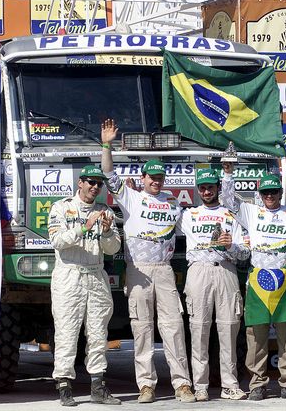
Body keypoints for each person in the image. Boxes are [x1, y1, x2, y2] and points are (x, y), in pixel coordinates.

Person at [100, 119, 195, 404]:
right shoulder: (131, 197)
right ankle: (146, 385)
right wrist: (107, 145)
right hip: (138, 269)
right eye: (151, 177)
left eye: (160, 177)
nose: (155, 181)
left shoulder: (174, 203)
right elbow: (107, 173)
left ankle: (182, 384)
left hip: (164, 271)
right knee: (141, 329)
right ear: (142, 178)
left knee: (174, 328)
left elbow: (192, 229)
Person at [221, 162, 286, 401]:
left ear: (280, 193)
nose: (269, 196)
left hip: (285, 280)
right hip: (258, 280)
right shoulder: (251, 212)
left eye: (273, 192)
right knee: (255, 336)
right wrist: (227, 174)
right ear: (259, 195)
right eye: (265, 192)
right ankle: (257, 383)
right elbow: (228, 201)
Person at [48, 165, 122, 406]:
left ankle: (98, 386)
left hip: (96, 274)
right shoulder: (62, 207)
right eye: (90, 182)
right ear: (80, 183)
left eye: (99, 183)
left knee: (99, 334)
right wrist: (84, 227)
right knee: (67, 332)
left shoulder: (105, 211)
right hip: (69, 276)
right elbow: (57, 241)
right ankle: (64, 386)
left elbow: (113, 249)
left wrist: (108, 232)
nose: (95, 187)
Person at [177, 168, 250, 401]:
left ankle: (230, 384)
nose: (207, 191)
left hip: (226, 270)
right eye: (203, 187)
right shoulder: (188, 214)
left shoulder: (232, 215)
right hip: (198, 271)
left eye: (211, 186)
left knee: (229, 328)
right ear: (198, 190)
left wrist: (231, 246)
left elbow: (245, 252)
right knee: (198, 329)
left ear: (218, 187)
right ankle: (200, 385)